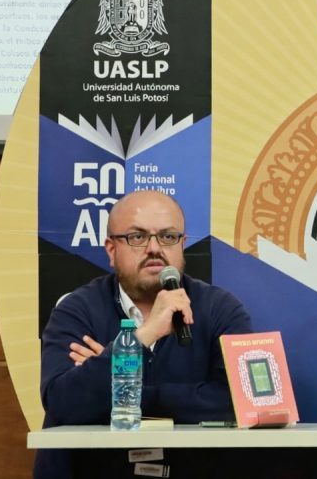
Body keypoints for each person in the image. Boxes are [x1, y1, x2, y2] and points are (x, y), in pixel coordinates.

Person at [34, 190, 253, 479]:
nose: (154, 248)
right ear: (111, 250)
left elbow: (240, 403)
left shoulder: (220, 309)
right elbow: (63, 404)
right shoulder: (77, 310)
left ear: (182, 245)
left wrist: (123, 388)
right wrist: (144, 335)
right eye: (137, 237)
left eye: (168, 236)